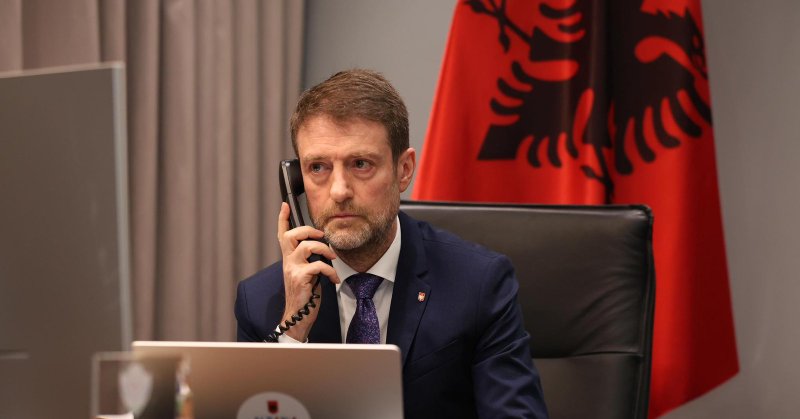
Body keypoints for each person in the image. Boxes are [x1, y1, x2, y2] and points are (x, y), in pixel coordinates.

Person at [235, 69, 548, 418]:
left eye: (360, 164)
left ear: (404, 170)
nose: (339, 191)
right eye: (318, 168)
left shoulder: (478, 284)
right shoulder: (262, 303)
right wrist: (293, 335)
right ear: (295, 181)